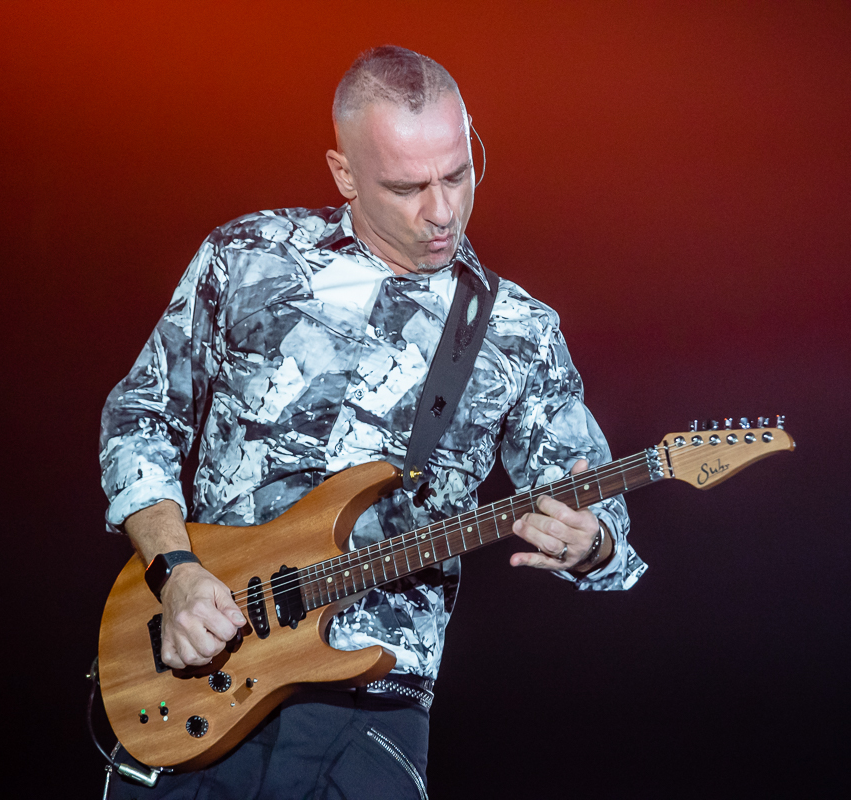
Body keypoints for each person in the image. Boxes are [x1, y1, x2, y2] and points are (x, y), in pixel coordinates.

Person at [99, 45, 647, 799]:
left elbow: (595, 506)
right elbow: (140, 415)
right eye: (407, 186)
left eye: (457, 174)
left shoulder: (519, 331)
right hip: (199, 676)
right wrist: (175, 572)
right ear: (345, 173)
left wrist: (593, 542)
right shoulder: (247, 258)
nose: (441, 211)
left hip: (371, 707)